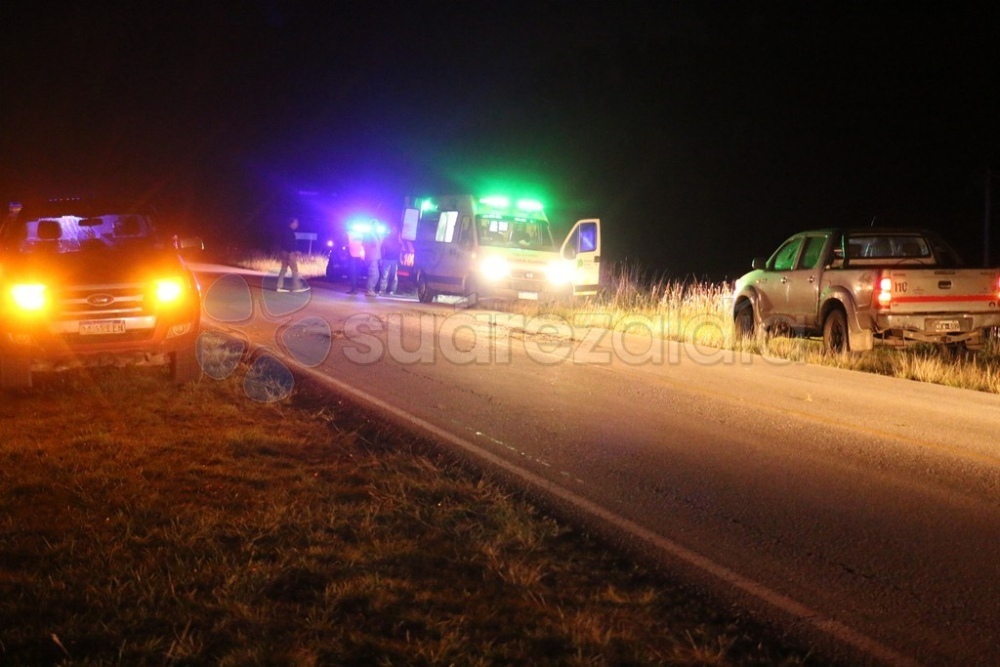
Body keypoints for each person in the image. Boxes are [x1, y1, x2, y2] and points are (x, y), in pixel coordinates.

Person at [276, 218, 306, 292]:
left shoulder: (285, 231)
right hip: (289, 252)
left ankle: (279, 286)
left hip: (284, 251)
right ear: (292, 223)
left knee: (283, 269)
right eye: (296, 223)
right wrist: (293, 251)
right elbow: (289, 243)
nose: (297, 224)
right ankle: (297, 286)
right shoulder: (289, 232)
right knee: (294, 269)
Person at [378, 223, 402, 295]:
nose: (394, 231)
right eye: (393, 229)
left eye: (395, 230)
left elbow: (401, 246)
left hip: (395, 259)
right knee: (384, 276)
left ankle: (392, 290)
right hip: (387, 259)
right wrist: (382, 257)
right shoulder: (387, 238)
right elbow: (382, 247)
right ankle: (382, 290)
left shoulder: (398, 238)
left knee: (394, 276)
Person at [361, 220, 382, 297]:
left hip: (375, 257)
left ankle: (371, 290)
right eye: (376, 225)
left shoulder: (375, 234)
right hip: (371, 257)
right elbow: (367, 245)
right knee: (373, 274)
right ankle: (369, 290)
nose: (377, 227)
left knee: (376, 275)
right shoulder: (369, 235)